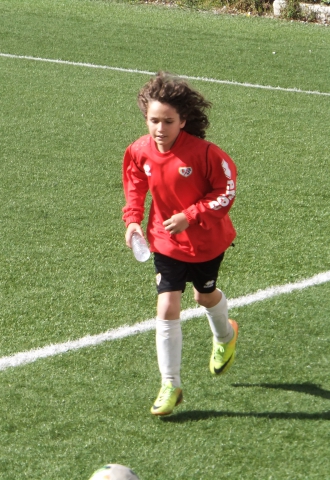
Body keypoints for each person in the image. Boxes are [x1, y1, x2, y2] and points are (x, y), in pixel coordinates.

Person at [122, 72, 239, 416]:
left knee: (204, 297)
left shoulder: (206, 154)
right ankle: (170, 384)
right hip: (165, 242)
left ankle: (226, 335)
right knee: (167, 306)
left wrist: (191, 215)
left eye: (168, 121)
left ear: (183, 120)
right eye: (153, 121)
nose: (160, 129)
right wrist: (132, 220)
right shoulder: (139, 151)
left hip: (206, 243)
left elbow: (226, 191)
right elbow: (134, 185)